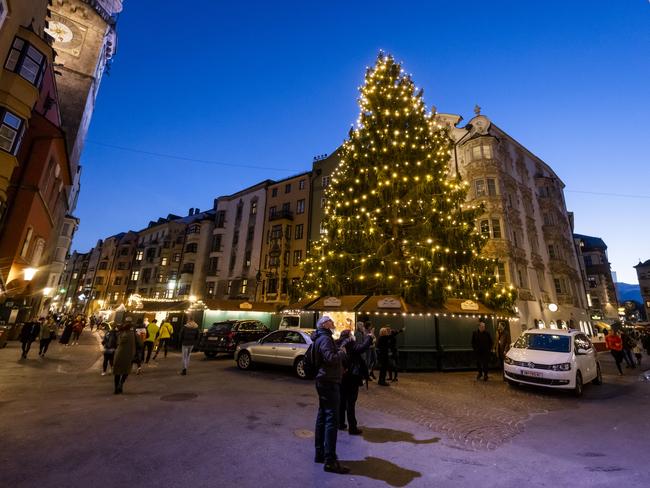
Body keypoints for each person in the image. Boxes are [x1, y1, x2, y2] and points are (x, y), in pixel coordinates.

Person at [312, 316, 349, 474]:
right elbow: (331, 358)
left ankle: (320, 454)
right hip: (329, 381)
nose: (333, 324)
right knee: (331, 420)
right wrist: (341, 352)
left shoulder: (320, 337)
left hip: (323, 380)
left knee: (322, 417)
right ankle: (330, 460)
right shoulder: (325, 339)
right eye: (331, 322)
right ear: (324, 324)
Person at [336, 328, 372, 435]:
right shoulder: (350, 344)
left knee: (341, 401)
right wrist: (369, 336)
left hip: (341, 376)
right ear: (349, 336)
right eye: (351, 334)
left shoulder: (338, 343)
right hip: (351, 377)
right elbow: (362, 347)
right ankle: (352, 427)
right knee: (350, 402)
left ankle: (340, 423)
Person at [112, 318, 140, 394]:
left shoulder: (120, 332)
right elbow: (140, 344)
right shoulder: (134, 334)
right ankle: (121, 384)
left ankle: (116, 388)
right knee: (126, 371)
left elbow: (115, 342)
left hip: (119, 354)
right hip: (130, 355)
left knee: (117, 372)